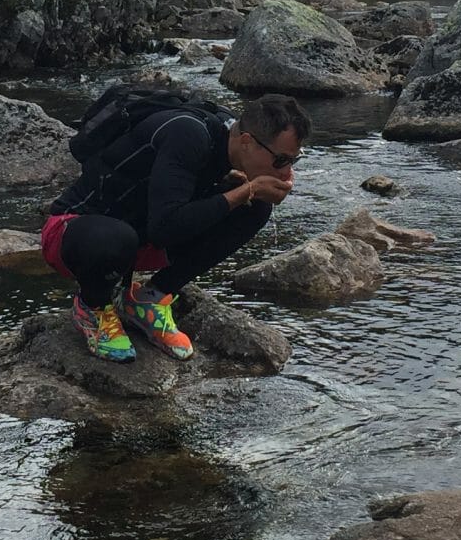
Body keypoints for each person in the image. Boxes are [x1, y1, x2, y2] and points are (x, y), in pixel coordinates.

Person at [40, 93, 311, 362]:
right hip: (73, 234)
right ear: (247, 142)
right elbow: (165, 228)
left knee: (256, 207)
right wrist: (245, 190)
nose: (286, 173)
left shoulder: (227, 133)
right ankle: (93, 306)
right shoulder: (187, 133)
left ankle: (150, 298)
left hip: (139, 237)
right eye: (281, 161)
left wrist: (245, 192)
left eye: (292, 161)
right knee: (119, 239)